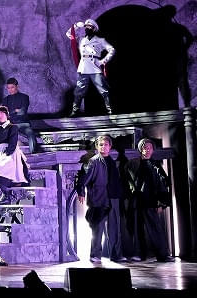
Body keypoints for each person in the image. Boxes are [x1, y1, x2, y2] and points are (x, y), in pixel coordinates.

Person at [76, 135, 126, 263]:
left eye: (106, 145)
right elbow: (85, 177)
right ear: (97, 147)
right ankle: (95, 255)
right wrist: (81, 191)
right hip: (99, 198)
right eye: (101, 145)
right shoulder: (93, 161)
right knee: (97, 228)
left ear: (110, 146)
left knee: (114, 229)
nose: (103, 147)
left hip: (112, 198)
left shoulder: (112, 161)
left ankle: (116, 255)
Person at [123, 139, 174, 262]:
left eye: (150, 148)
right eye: (145, 147)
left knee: (155, 229)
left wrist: (161, 203)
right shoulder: (132, 164)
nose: (147, 150)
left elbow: (162, 184)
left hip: (151, 202)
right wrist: (131, 193)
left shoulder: (155, 165)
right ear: (141, 149)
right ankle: (139, 254)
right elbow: (127, 181)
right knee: (137, 229)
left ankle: (162, 255)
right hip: (137, 201)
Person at [0, 106, 30, 204]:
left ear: (7, 114)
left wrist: (2, 156)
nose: (0, 116)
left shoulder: (12, 127)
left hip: (9, 153)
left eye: (2, 113)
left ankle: (7, 195)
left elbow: (12, 145)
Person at [66, 19, 116, 116]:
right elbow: (68, 34)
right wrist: (76, 25)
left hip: (94, 66)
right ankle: (75, 111)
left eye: (89, 27)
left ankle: (110, 109)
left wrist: (103, 61)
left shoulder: (100, 40)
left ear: (94, 28)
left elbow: (112, 50)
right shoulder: (81, 39)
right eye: (85, 27)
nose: (86, 28)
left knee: (103, 89)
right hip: (83, 67)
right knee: (79, 90)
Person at [0, 78, 38, 153]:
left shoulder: (24, 97)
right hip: (11, 124)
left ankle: (34, 154)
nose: (10, 90)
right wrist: (15, 110)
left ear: (17, 86)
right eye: (8, 88)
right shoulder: (6, 99)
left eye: (12, 87)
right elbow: (4, 114)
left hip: (23, 124)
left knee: (30, 133)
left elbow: (22, 112)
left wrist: (10, 111)